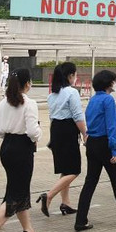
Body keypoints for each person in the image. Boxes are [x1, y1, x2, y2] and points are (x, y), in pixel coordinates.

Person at [0, 69, 42, 232]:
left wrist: (10, 135)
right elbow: (32, 131)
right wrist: (39, 133)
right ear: (27, 83)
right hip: (22, 148)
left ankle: (28, 230)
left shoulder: (3, 103)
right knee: (16, 193)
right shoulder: (29, 103)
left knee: (17, 188)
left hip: (6, 147)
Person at [75, 70, 116, 231]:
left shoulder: (93, 100)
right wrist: (114, 150)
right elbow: (111, 127)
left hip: (92, 142)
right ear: (108, 83)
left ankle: (81, 219)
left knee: (90, 182)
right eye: (114, 80)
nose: (115, 83)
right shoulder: (108, 100)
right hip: (104, 143)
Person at [39, 62, 86, 217]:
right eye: (75, 74)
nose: (76, 77)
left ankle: (66, 203)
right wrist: (85, 134)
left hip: (56, 129)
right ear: (70, 76)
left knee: (66, 169)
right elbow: (77, 116)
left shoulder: (52, 95)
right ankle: (49, 196)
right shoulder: (72, 92)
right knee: (74, 170)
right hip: (68, 130)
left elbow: (52, 117)